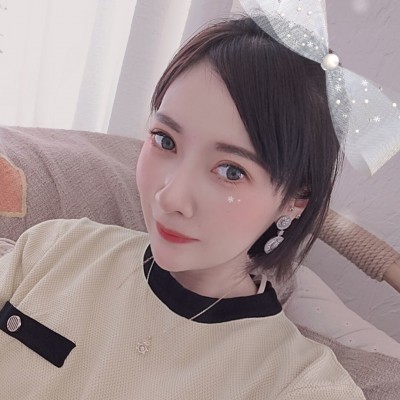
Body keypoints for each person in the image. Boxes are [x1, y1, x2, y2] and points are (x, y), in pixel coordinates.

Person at [0, 13, 366, 400]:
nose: (170, 197)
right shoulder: (57, 248)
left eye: (231, 171)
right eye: (166, 140)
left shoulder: (300, 384)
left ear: (294, 200)